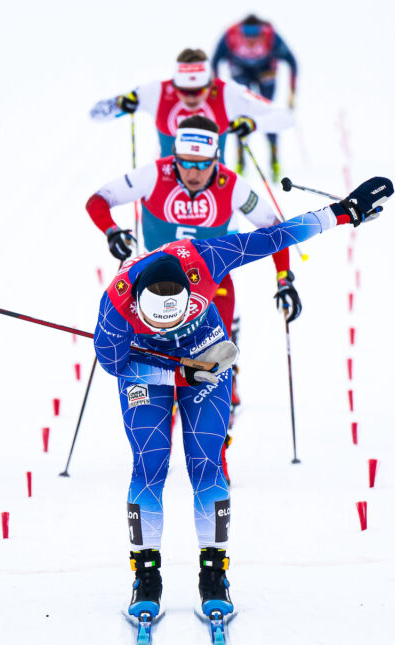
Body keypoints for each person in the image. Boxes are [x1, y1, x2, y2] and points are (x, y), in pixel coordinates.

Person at [93, 173, 393, 636]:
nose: (168, 329)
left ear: (192, 291)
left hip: (206, 353)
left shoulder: (205, 259)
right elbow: (115, 365)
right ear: (136, 304)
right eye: (157, 323)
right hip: (146, 366)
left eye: (176, 317)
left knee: (206, 466)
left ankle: (214, 574)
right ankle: (146, 578)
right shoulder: (115, 306)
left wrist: (342, 212)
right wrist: (175, 373)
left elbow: (273, 236)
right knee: (149, 466)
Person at [85, 116, 300, 480]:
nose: (194, 172)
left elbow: (274, 230)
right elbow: (97, 201)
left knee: (212, 371)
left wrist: (284, 278)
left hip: (211, 291)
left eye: (203, 165)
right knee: (154, 366)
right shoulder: (154, 174)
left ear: (216, 159)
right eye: (186, 163)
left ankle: (215, 455)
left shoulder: (232, 184)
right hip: (151, 296)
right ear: (174, 157)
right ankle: (157, 448)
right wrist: (111, 231)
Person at [89, 48, 293, 163]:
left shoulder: (227, 92)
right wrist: (119, 104)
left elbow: (286, 117)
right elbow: (95, 114)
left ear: (210, 83)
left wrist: (253, 123)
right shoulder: (156, 91)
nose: (191, 98)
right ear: (175, 83)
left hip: (216, 188)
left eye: (198, 90)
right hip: (165, 184)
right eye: (184, 90)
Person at [212, 14, 298, 179]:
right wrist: (215, 89)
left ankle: (274, 158)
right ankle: (241, 160)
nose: (251, 40)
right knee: (240, 115)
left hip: (265, 70)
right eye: (247, 34)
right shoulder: (230, 35)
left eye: (255, 35)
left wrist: (292, 92)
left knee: (268, 111)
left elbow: (292, 62)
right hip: (240, 71)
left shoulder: (271, 36)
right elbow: (215, 60)